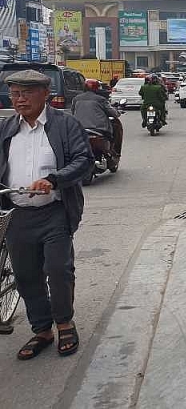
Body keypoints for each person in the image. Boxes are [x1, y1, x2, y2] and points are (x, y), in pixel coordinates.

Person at [0, 70, 94, 360]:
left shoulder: (65, 124)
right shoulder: (6, 128)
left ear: (45, 94)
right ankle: (42, 330)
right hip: (17, 214)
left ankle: (64, 322)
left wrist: (53, 180)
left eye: (26, 93)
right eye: (15, 93)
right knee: (27, 275)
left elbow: (83, 160)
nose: (19, 99)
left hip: (55, 211)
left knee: (58, 270)